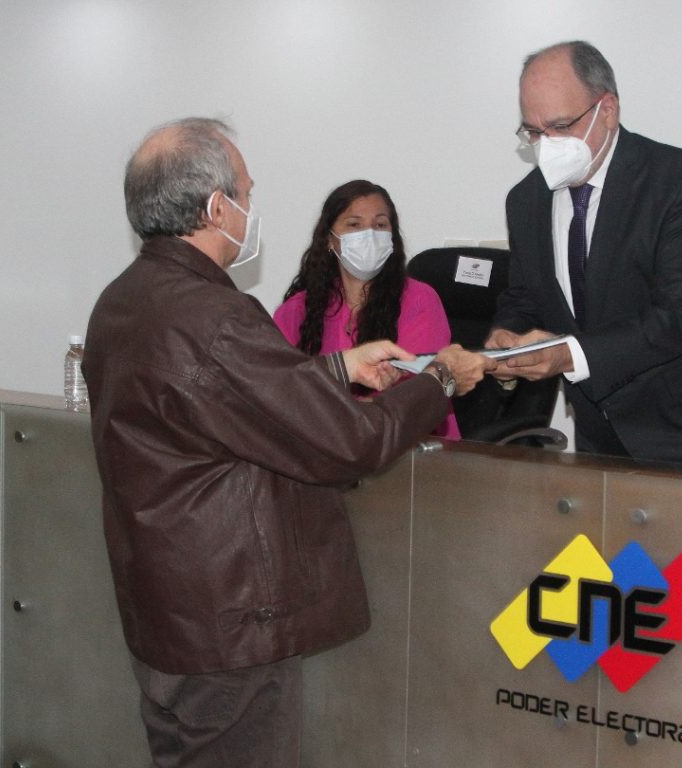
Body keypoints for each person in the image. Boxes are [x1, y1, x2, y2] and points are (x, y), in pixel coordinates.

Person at [81, 117, 485, 767]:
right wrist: (438, 378)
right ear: (217, 208)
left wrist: (338, 366)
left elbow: (219, 401)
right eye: (245, 192)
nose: (250, 207)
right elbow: (353, 440)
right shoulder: (215, 316)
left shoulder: (121, 302)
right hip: (230, 624)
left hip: (164, 613)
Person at [488, 41, 682, 468]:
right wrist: (506, 337)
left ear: (607, 109)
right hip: (602, 429)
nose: (546, 145)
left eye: (560, 126)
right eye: (533, 132)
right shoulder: (524, 200)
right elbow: (526, 295)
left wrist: (567, 355)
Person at [274, 179, 460, 439]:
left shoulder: (419, 300)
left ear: (392, 237)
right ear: (330, 239)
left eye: (380, 225)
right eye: (354, 225)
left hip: (415, 448)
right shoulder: (296, 311)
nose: (370, 235)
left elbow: (416, 398)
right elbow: (277, 390)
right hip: (323, 447)